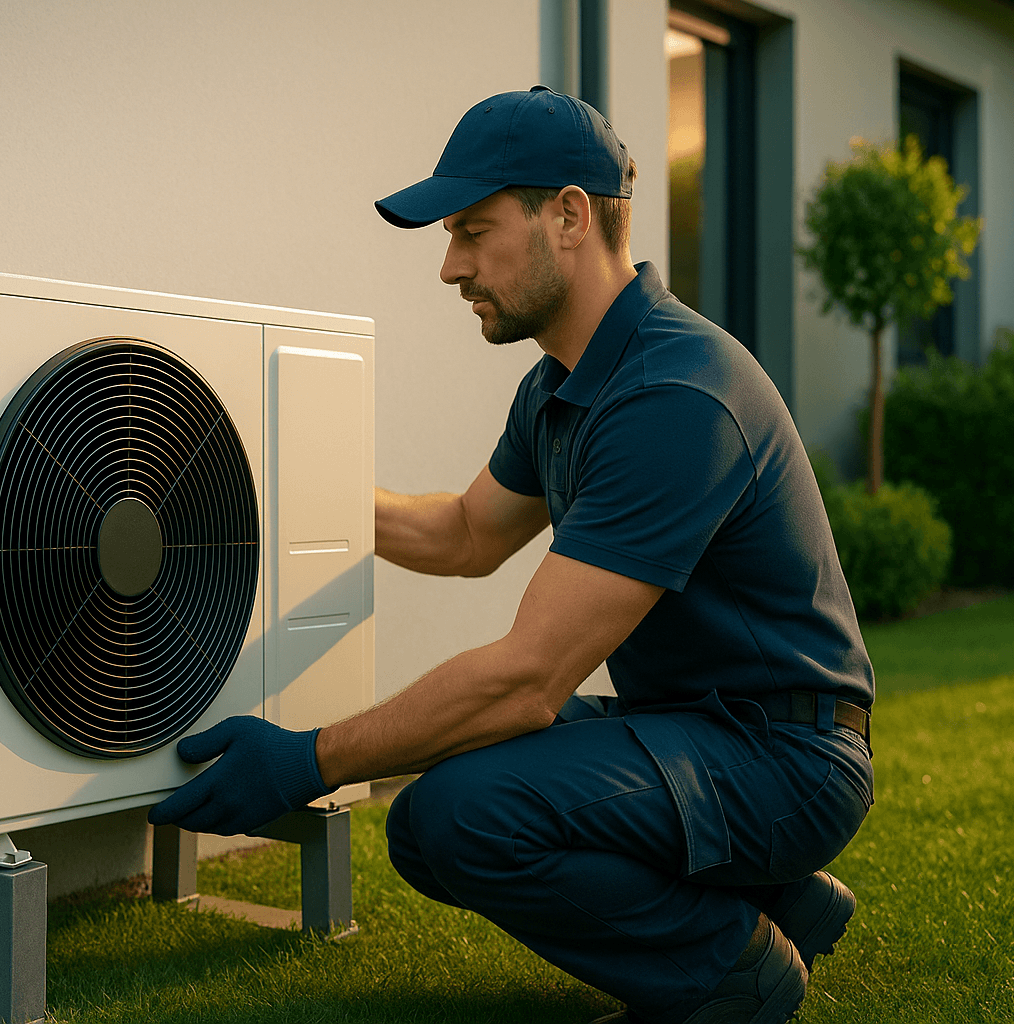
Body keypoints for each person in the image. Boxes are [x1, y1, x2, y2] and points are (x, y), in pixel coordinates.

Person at [149, 87, 874, 1024]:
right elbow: (464, 535)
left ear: (569, 216)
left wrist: (308, 762)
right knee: (438, 806)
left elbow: (528, 678)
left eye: (473, 231)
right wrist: (270, 493)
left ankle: (729, 969)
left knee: (461, 817)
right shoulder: (561, 386)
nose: (450, 267)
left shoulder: (676, 394)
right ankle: (771, 899)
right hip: (698, 725)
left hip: (786, 755)